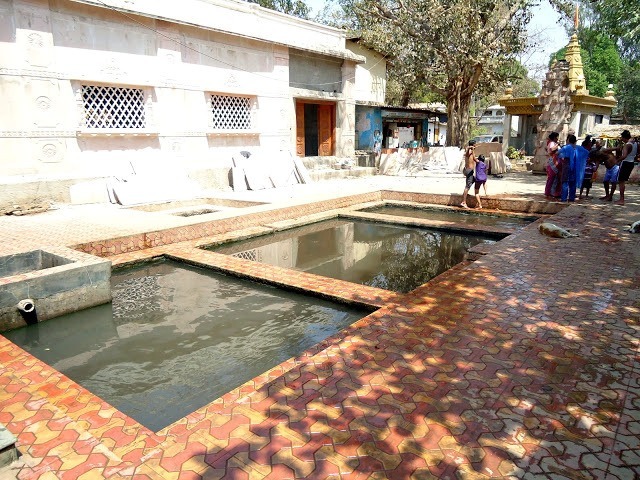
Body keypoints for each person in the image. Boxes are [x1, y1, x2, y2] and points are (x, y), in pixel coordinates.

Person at [614, 130, 638, 205]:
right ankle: (621, 199)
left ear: (624, 137)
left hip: (625, 163)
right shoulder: (635, 144)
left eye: (622, 137)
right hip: (631, 163)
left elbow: (624, 156)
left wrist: (617, 160)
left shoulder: (627, 145)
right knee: (623, 181)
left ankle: (621, 199)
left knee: (621, 181)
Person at [558, 134, 579, 202]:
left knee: (565, 182)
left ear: (568, 140)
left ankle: (564, 198)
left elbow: (557, 153)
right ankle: (571, 198)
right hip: (576, 167)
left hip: (567, 166)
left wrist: (563, 155)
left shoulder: (566, 147)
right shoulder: (578, 148)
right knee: (573, 183)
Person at [544, 132, 561, 200]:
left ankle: (554, 192)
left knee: (556, 178)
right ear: (554, 137)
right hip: (552, 162)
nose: (557, 138)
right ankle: (548, 193)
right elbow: (551, 150)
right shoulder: (552, 143)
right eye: (557, 137)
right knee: (551, 178)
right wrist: (557, 145)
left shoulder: (554, 143)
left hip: (556, 161)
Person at [460, 140, 476, 208]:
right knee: (467, 185)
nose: (476, 145)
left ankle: (465, 193)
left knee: (474, 180)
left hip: (469, 170)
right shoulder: (469, 151)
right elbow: (467, 154)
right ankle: (463, 202)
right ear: (473, 144)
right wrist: (469, 148)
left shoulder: (472, 151)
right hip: (468, 170)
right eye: (475, 144)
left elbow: (474, 159)